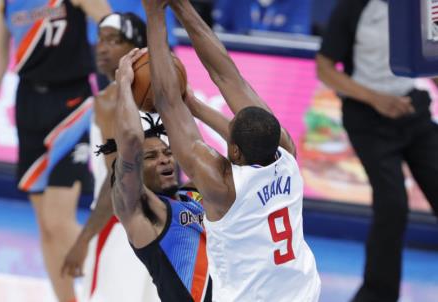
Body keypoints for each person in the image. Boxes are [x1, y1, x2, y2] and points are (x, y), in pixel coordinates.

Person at [142, 0, 321, 301]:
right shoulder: (286, 151)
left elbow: (167, 101)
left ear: (234, 153)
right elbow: (227, 76)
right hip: (301, 292)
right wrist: (183, 7)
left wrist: (155, 14)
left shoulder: (223, 186)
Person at [0, 0, 110, 301]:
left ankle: (125, 270)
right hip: (28, 104)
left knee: (57, 220)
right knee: (46, 229)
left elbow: (112, 25)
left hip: (72, 104)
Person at [316, 0, 438, 301]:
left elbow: (432, 58)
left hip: (411, 109)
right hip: (367, 118)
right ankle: (376, 295)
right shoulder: (353, 7)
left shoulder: (423, 6)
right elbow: (325, 69)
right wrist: (376, 99)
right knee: (392, 204)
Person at [61, 13, 160, 302]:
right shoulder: (164, 94)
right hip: (165, 225)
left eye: (114, 40)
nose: (102, 47)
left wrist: (83, 239)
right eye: (100, 39)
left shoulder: (111, 99)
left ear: (136, 48)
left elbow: (120, 179)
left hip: (122, 228)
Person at [111, 49, 212, 302]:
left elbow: (199, 148)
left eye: (167, 153)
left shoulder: (193, 194)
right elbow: (132, 140)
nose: (164, 159)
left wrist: (183, 101)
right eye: (151, 157)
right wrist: (123, 84)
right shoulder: (142, 211)